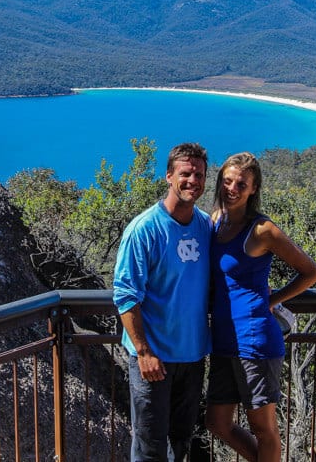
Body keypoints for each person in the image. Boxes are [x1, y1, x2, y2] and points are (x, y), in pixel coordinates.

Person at [205, 152, 316, 462]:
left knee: (263, 428)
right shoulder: (216, 221)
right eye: (227, 181)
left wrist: (272, 300)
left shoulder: (262, 230)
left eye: (241, 184)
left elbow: (311, 272)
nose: (232, 188)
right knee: (216, 422)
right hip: (223, 340)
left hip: (255, 340)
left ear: (253, 188)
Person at [113, 142, 212, 461]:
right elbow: (125, 295)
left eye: (199, 175)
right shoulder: (144, 230)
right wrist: (143, 352)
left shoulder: (205, 226)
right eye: (185, 174)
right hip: (153, 361)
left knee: (181, 441)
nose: (192, 181)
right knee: (149, 446)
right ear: (169, 176)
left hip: (193, 356)